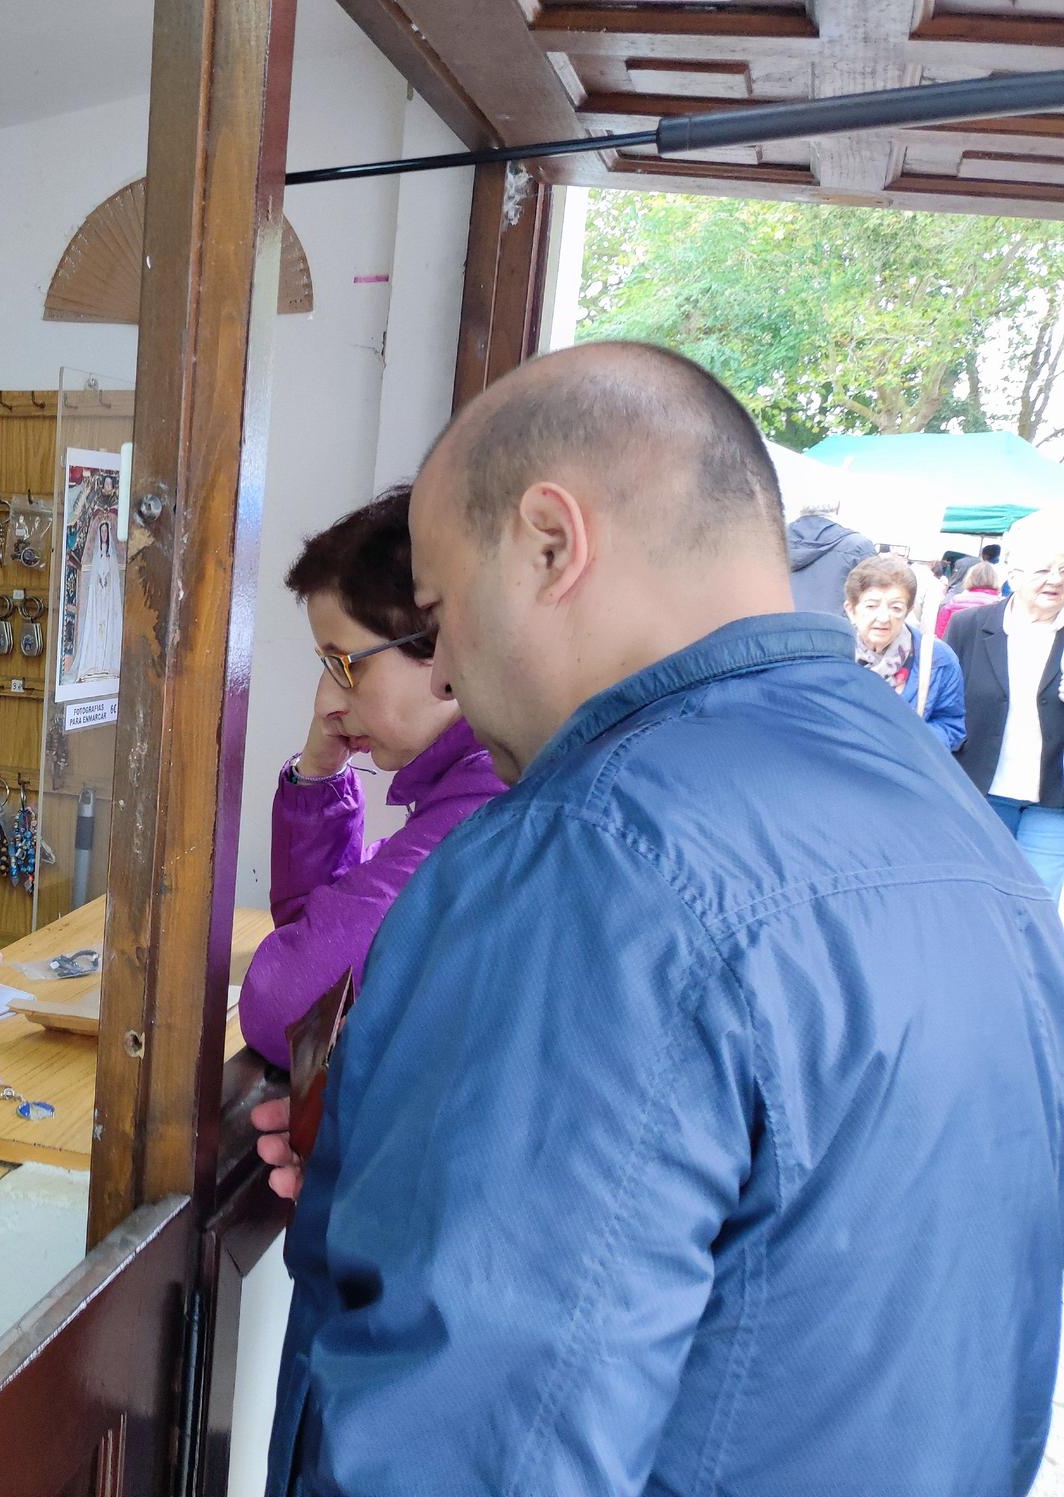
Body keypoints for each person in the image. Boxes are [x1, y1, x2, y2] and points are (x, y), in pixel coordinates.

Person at [256, 342, 1064, 1495]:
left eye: (440, 611)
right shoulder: (948, 818)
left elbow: (480, 1443)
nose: (454, 675)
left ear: (548, 544)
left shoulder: (590, 855)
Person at [238, 489, 505, 1067]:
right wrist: (319, 775)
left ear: (444, 644)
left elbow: (294, 1009)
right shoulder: (457, 784)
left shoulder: (488, 800)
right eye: (324, 666)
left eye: (346, 665)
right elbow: (318, 939)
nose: (326, 701)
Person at [946, 510, 1064, 901]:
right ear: (1012, 568)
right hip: (982, 790)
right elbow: (945, 707)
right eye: (1044, 568)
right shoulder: (969, 627)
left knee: (1035, 905)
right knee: (978, 899)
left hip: (1054, 800)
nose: (1056, 579)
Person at [843, 552, 965, 751]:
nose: (883, 617)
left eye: (896, 607)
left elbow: (951, 724)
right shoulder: (830, 655)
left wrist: (907, 742)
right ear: (851, 610)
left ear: (907, 611)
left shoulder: (937, 659)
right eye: (871, 606)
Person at [785, 489, 875, 614]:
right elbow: (875, 599)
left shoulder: (769, 539)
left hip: (774, 628)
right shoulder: (859, 546)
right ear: (837, 507)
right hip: (835, 630)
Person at [938, 559, 1003, 636]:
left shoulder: (955, 601)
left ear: (970, 577)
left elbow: (941, 632)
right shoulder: (1001, 605)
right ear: (995, 579)